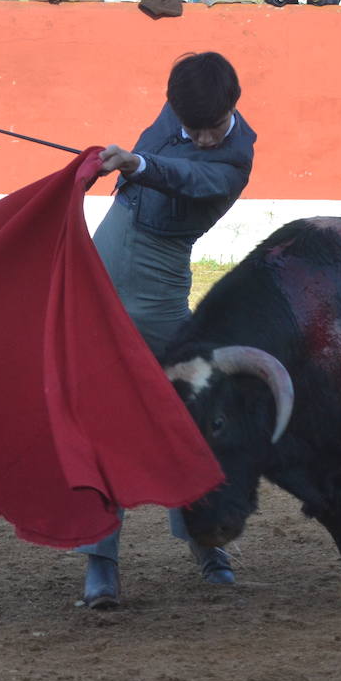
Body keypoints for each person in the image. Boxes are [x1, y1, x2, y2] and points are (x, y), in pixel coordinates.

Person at [77, 51, 257, 610]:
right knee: (107, 418)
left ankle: (205, 538)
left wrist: (137, 165)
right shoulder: (182, 103)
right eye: (191, 127)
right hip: (104, 264)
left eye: (211, 127)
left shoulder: (235, 157)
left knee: (198, 415)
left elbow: (190, 177)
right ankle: (100, 562)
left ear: (232, 107)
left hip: (158, 286)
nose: (203, 138)